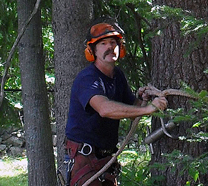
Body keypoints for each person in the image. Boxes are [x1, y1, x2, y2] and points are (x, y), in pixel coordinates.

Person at [65, 21, 167, 186]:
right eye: (103, 44)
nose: (110, 47)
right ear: (92, 51)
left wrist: (143, 100)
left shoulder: (117, 76)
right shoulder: (88, 78)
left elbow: (133, 110)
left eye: (113, 43)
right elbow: (105, 109)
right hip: (85, 159)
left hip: (106, 159)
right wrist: (148, 109)